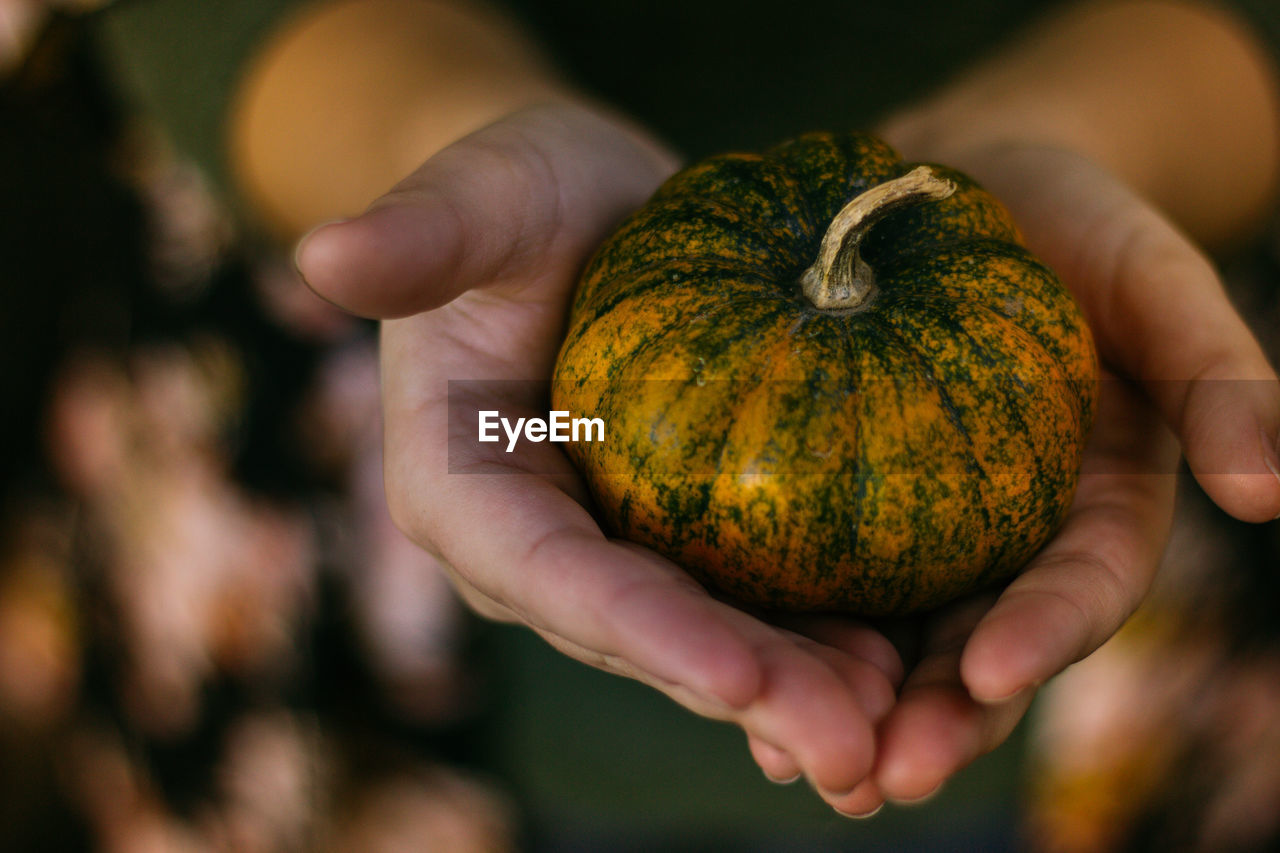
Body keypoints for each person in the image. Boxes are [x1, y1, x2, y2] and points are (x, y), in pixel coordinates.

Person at [122, 0, 1280, 822]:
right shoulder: (536, 412)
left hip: (1111, 697)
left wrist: (1104, 142)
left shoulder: (992, 303)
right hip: (369, 582)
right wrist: (428, 136)